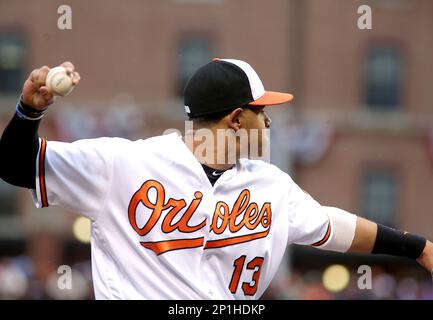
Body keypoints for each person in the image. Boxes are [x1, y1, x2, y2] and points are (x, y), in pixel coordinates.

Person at [0, 59, 432, 300]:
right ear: (236, 118)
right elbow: (16, 167)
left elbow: (333, 228)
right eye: (262, 111)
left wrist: (417, 247)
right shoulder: (125, 163)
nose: (268, 121)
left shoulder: (270, 184)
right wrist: (28, 112)